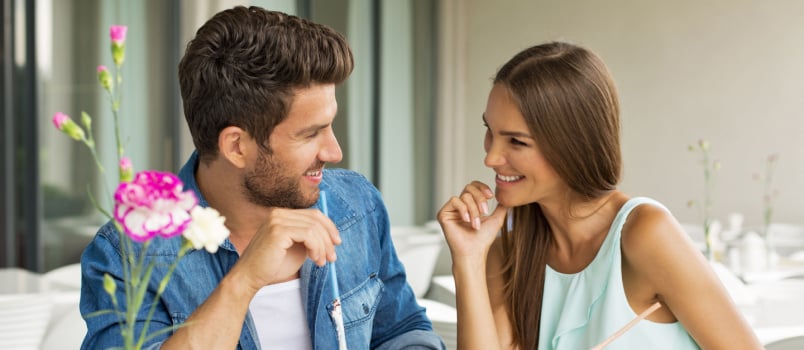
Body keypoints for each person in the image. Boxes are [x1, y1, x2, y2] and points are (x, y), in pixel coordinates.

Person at [80, 6, 444, 350]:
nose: (334, 152)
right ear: (236, 146)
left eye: (330, 126)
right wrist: (244, 280)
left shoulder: (356, 204)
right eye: (309, 134)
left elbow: (401, 329)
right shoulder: (127, 255)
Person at [436, 41, 762, 349]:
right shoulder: (511, 244)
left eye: (516, 142)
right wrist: (467, 260)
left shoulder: (645, 233)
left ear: (572, 145)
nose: (491, 158)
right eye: (489, 132)